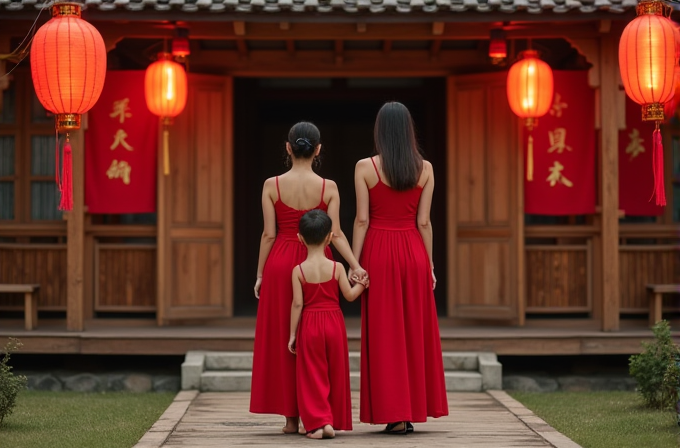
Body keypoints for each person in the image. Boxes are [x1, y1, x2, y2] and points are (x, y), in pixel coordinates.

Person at [250, 122, 367, 435]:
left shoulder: (271, 185)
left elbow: (268, 233)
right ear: (318, 150)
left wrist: (261, 273)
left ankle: (291, 419)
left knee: (286, 342)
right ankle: (318, 413)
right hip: (316, 262)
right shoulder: (328, 187)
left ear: (288, 148)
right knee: (314, 341)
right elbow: (337, 233)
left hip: (280, 265)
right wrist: (354, 265)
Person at [351, 102, 448, 434]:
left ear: (380, 130)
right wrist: (430, 264)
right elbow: (424, 222)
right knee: (413, 332)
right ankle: (410, 411)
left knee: (384, 334)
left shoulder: (365, 167)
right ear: (409, 130)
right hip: (412, 252)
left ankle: (394, 412)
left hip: (378, 251)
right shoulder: (426, 169)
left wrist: (353, 263)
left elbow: (362, 219)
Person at [288, 210, 368, 440]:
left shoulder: (298, 271)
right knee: (335, 372)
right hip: (334, 322)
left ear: (299, 238)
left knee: (313, 374)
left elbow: (297, 304)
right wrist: (363, 283)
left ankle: (318, 423)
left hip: (310, 324)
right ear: (330, 237)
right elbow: (350, 295)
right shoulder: (337, 268)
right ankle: (331, 420)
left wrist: (292, 334)